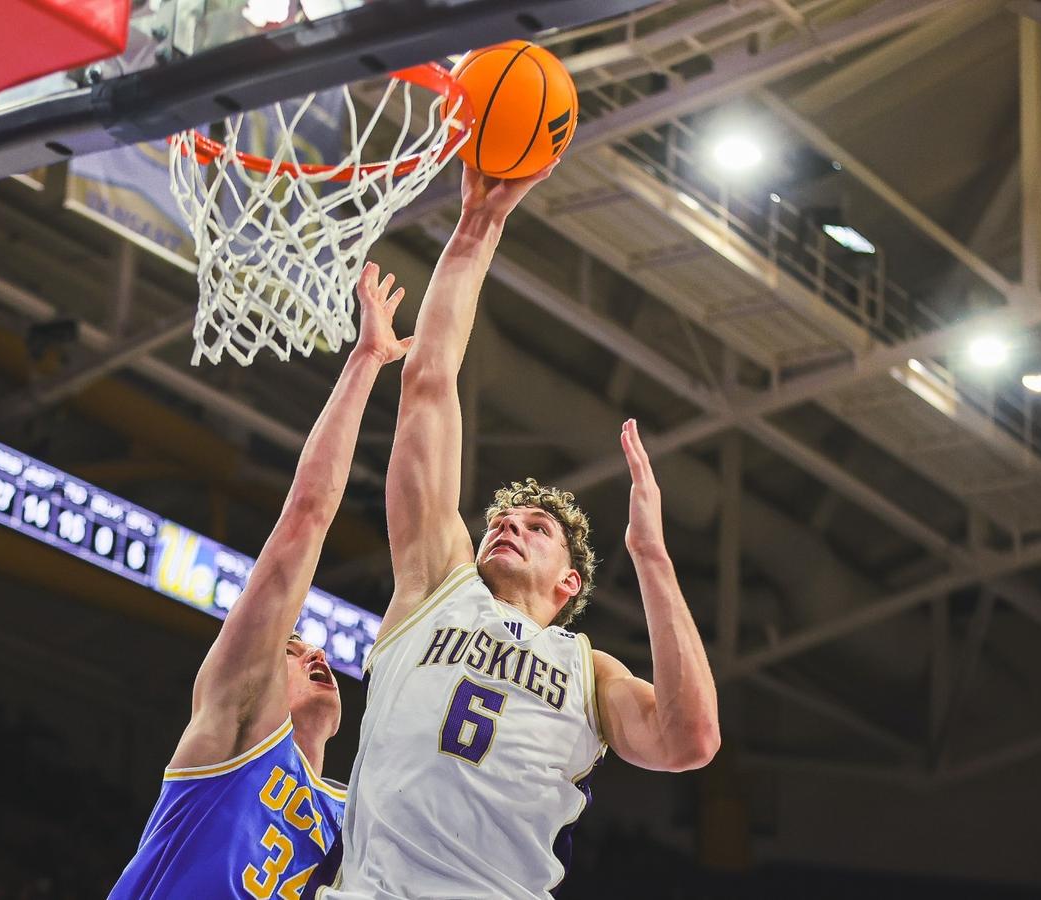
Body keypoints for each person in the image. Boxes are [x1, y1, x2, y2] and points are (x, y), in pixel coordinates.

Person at [319, 165, 722, 898]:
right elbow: (430, 382)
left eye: (537, 528)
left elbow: (689, 741)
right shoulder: (435, 586)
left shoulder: (589, 672)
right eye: (501, 520)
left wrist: (652, 556)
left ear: (570, 584)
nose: (508, 526)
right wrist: (478, 224)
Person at [108, 265, 413, 899]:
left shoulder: (352, 827)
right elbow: (305, 518)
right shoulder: (238, 727)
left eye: (310, 647)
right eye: (293, 648)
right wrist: (366, 362)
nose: (316, 652)